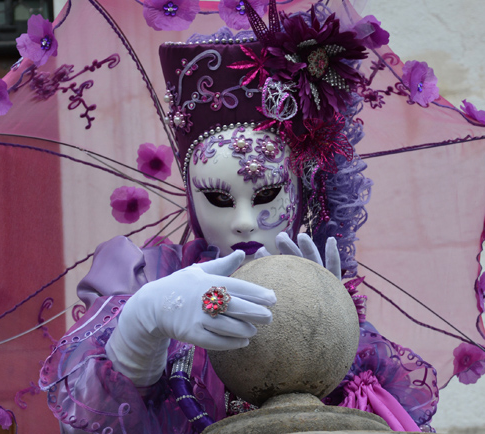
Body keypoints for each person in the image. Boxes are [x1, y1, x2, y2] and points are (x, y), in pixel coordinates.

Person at [39, 4, 438, 432]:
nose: (244, 222)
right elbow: (84, 418)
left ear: (300, 192)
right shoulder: (144, 280)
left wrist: (332, 333)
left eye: (266, 194)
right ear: (192, 197)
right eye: (218, 197)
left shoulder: (319, 284)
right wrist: (142, 328)